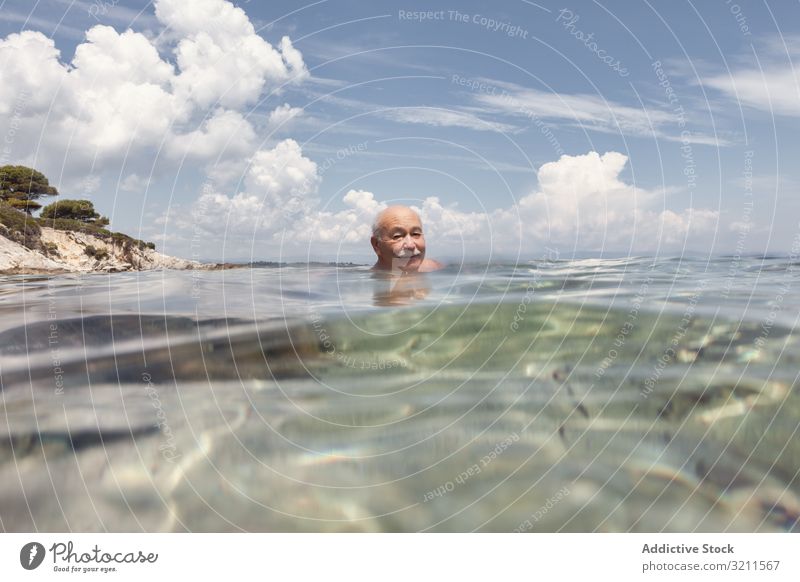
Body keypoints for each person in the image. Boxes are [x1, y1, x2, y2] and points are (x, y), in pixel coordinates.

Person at [370, 205, 444, 273]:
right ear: (376, 245)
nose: (410, 245)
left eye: (416, 234)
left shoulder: (434, 267)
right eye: (397, 236)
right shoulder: (368, 284)